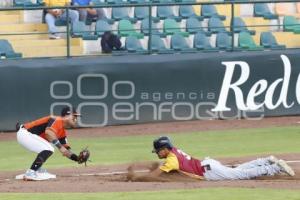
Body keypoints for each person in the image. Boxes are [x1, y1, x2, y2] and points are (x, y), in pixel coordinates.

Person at [128, 136, 295, 181]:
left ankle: (273, 167)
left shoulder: (171, 160)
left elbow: (157, 174)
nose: (157, 153)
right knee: (237, 171)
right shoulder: (174, 151)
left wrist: (139, 178)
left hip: (209, 172)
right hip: (208, 164)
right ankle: (265, 160)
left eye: (158, 151)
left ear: (164, 149)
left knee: (241, 175)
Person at [16, 106, 82, 181]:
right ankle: (31, 173)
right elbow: (48, 133)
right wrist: (60, 147)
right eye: (74, 116)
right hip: (25, 133)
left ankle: (36, 169)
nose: (76, 119)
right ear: (67, 115)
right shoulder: (57, 120)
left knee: (47, 148)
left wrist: (77, 159)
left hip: (27, 136)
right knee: (49, 148)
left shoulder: (62, 132)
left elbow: (66, 151)